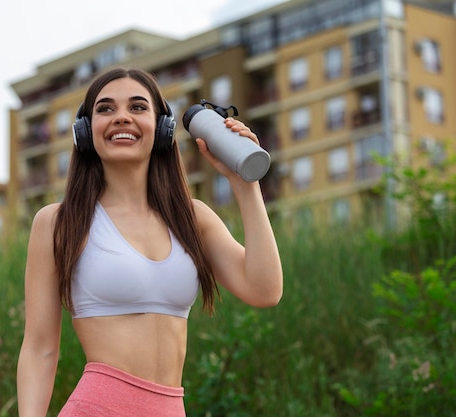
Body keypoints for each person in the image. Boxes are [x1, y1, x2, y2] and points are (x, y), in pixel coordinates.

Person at [17, 67, 283, 417]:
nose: (121, 117)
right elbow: (40, 349)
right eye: (105, 109)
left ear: (162, 128)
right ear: (85, 130)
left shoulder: (193, 218)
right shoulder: (58, 222)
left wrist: (245, 184)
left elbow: (265, 291)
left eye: (138, 107)